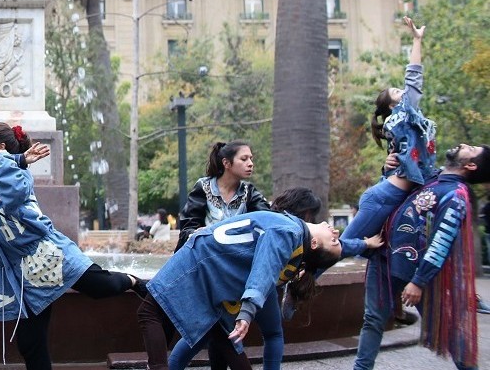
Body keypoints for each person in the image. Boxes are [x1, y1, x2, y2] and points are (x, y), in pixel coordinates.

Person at [0, 122, 147, 370]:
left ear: (1, 148)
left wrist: (10, 161)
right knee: (29, 341)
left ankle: (133, 280)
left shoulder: (17, 175)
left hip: (48, 255)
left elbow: (12, 198)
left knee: (102, 286)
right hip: (21, 275)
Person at [136, 210, 345, 370]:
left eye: (334, 240)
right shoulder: (294, 239)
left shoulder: (289, 231)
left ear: (315, 244)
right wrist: (364, 243)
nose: (335, 231)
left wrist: (246, 311)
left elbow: (263, 271)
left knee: (149, 312)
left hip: (203, 261)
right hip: (215, 273)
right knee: (223, 338)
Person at [353, 143, 489, 370]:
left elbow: (441, 241)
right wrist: (388, 169)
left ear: (471, 165)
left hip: (419, 273)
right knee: (373, 320)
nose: (464, 145)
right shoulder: (428, 175)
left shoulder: (456, 194)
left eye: (471, 149)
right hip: (384, 257)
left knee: (445, 327)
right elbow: (389, 194)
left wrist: (418, 281)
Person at [341, 16, 434, 258]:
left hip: (387, 189)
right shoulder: (404, 113)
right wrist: (416, 40)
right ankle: (297, 286)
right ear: (393, 105)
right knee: (339, 247)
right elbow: (414, 78)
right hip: (383, 196)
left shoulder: (405, 121)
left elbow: (400, 162)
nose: (404, 92)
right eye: (398, 92)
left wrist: (386, 166)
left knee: (363, 248)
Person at [176, 141, 270, 252]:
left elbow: (268, 217)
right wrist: (197, 233)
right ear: (226, 163)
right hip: (205, 255)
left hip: (237, 256)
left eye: (251, 159)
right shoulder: (204, 186)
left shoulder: (248, 191)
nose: (250, 164)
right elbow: (188, 227)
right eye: (244, 159)